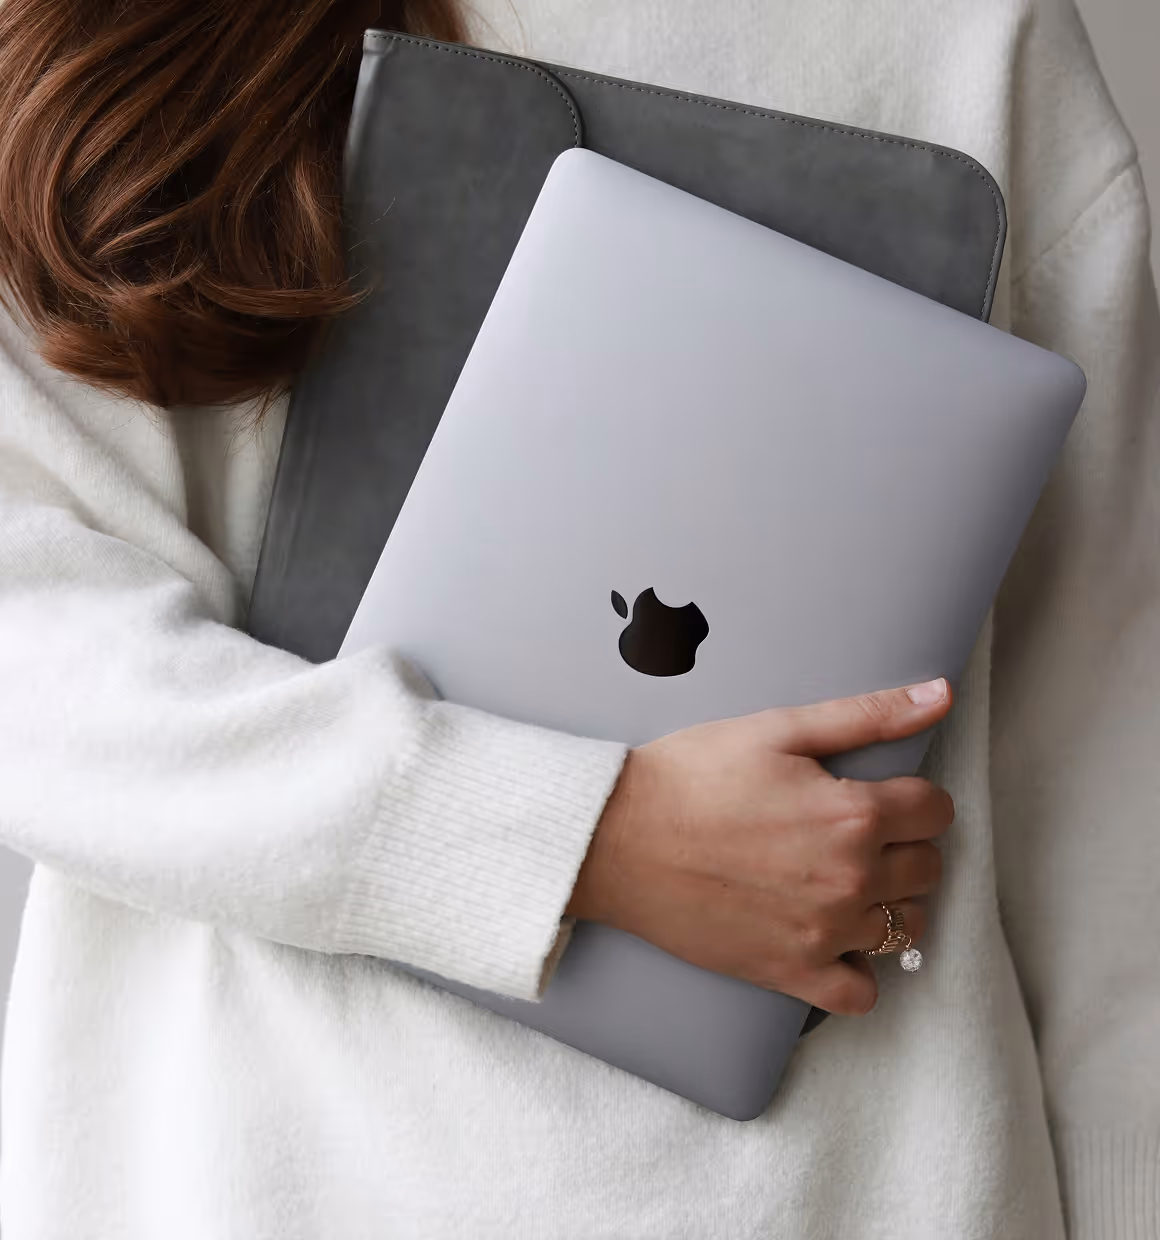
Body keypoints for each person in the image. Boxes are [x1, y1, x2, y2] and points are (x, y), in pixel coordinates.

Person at [0, 0, 1155, 1236]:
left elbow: (1101, 755)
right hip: (250, 1172)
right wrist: (578, 837)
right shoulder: (114, 36)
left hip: (857, 1193)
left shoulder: (973, 28)